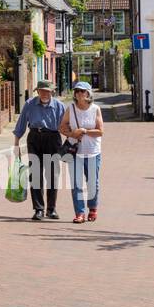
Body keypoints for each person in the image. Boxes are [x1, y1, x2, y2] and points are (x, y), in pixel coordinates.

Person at [13, 79, 66, 221]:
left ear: (52, 92)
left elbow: (66, 126)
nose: (44, 94)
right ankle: (38, 209)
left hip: (53, 139)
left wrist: (71, 142)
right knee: (35, 175)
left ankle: (51, 209)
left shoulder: (60, 106)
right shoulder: (30, 104)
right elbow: (21, 123)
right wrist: (16, 143)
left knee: (52, 175)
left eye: (47, 91)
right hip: (35, 138)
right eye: (42, 91)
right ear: (37, 91)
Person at [61, 81, 103, 223]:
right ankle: (79, 213)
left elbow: (100, 131)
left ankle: (92, 208)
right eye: (77, 91)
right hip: (75, 152)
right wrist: (73, 134)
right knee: (76, 184)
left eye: (82, 91)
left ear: (88, 93)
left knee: (92, 183)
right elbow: (62, 127)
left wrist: (84, 131)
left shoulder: (95, 109)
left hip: (92, 152)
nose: (79, 93)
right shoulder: (70, 109)